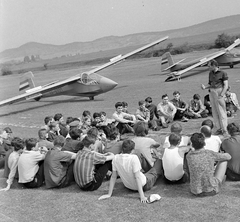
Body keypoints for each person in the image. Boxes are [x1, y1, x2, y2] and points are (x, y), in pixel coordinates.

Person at [201, 59, 229, 136]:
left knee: (221, 112)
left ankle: (225, 129)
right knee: (214, 112)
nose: (208, 67)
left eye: (209, 66)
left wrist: (221, 95)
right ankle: (218, 128)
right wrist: (205, 87)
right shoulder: (210, 73)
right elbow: (210, 84)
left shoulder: (223, 73)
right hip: (212, 92)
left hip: (219, 92)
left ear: (214, 65)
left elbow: (226, 85)